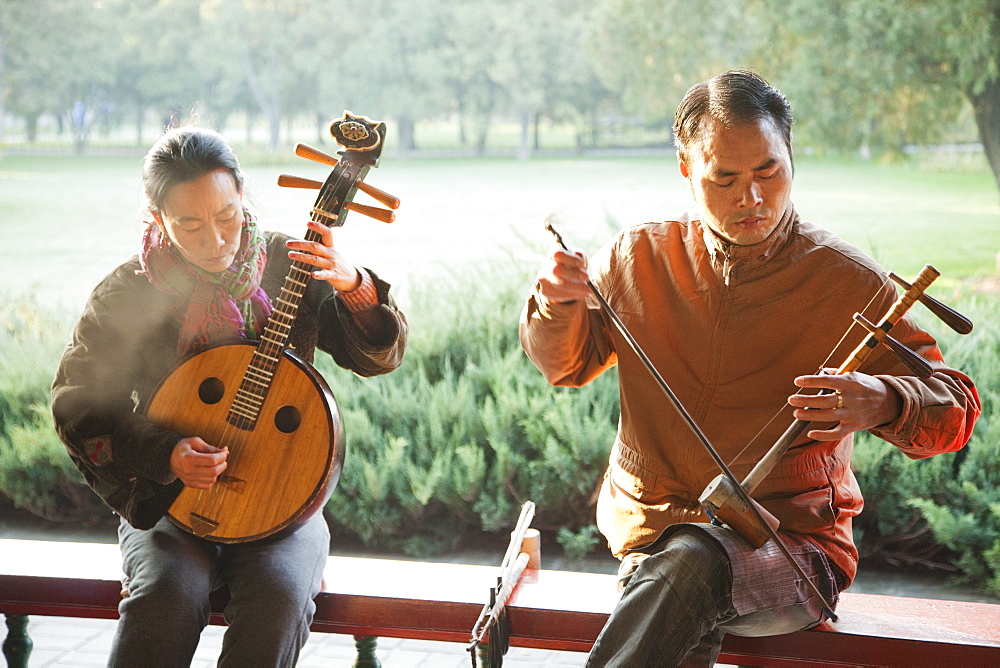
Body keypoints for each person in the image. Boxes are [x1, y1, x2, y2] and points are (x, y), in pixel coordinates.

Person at [520, 69, 980, 666]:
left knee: (690, 565)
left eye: (769, 171)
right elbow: (565, 365)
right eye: (725, 178)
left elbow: (955, 410)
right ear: (687, 171)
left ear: (791, 156)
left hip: (791, 550)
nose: (752, 198)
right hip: (653, 535)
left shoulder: (846, 279)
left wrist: (882, 399)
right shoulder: (638, 257)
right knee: (682, 570)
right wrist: (555, 304)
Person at [51, 126, 407, 666]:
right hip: (170, 499)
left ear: (243, 195)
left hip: (284, 498)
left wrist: (352, 284)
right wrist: (165, 453)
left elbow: (376, 357)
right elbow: (78, 404)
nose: (216, 241)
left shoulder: (292, 261)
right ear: (156, 220)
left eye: (227, 217)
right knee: (165, 596)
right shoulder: (127, 293)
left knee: (280, 598)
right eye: (189, 225)